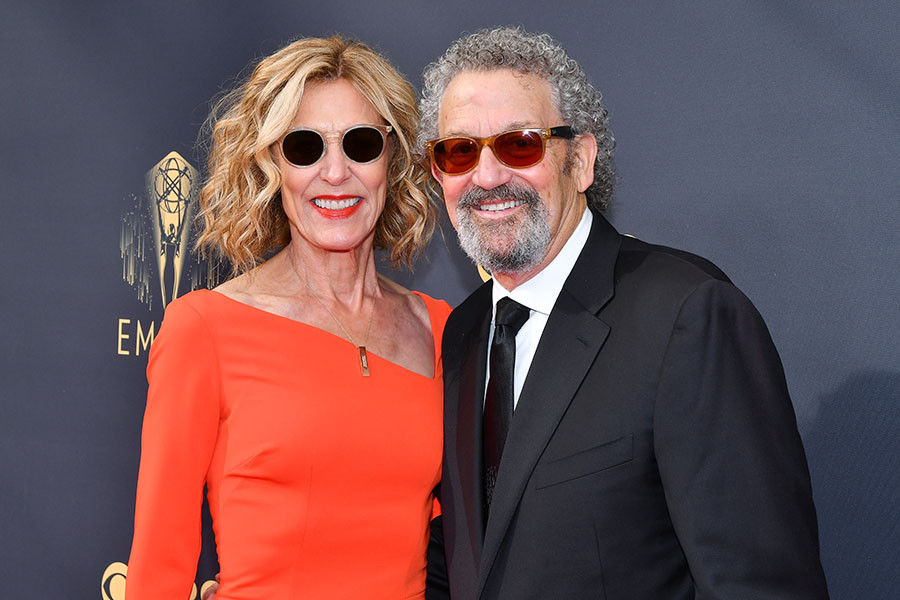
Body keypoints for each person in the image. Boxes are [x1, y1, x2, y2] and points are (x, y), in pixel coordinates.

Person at [420, 26, 829, 599]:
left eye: (520, 144)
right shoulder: (463, 333)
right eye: (460, 151)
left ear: (581, 161)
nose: (487, 177)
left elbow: (760, 585)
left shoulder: (686, 316)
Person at [126, 36, 451, 600]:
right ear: (271, 165)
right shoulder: (204, 330)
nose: (335, 173)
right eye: (304, 147)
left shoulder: (440, 328)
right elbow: (157, 569)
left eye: (361, 144)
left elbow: (458, 545)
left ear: (393, 159)